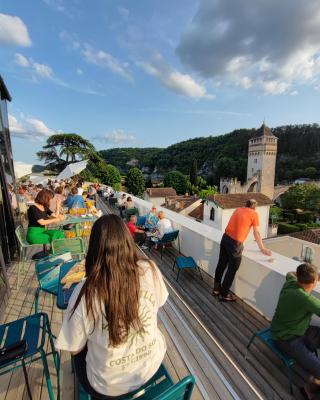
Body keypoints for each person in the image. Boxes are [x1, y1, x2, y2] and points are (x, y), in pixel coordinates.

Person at [55, 214, 168, 399]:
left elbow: (73, 348)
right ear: (127, 241)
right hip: (150, 366)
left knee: (79, 351)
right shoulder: (150, 269)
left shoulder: (86, 291)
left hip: (109, 386)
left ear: (94, 248)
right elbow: (159, 302)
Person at [271, 263, 320, 399]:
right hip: (286, 339)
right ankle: (308, 389)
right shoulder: (305, 298)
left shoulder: (292, 282)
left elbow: (289, 273)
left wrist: (309, 274)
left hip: (296, 329)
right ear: (314, 282)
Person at [213, 199, 272, 302]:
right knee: (233, 267)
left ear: (246, 205)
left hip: (225, 238)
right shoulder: (254, 214)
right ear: (254, 207)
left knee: (221, 264)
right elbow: (256, 233)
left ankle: (216, 289)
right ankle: (224, 294)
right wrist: (262, 248)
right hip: (235, 243)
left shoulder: (238, 209)